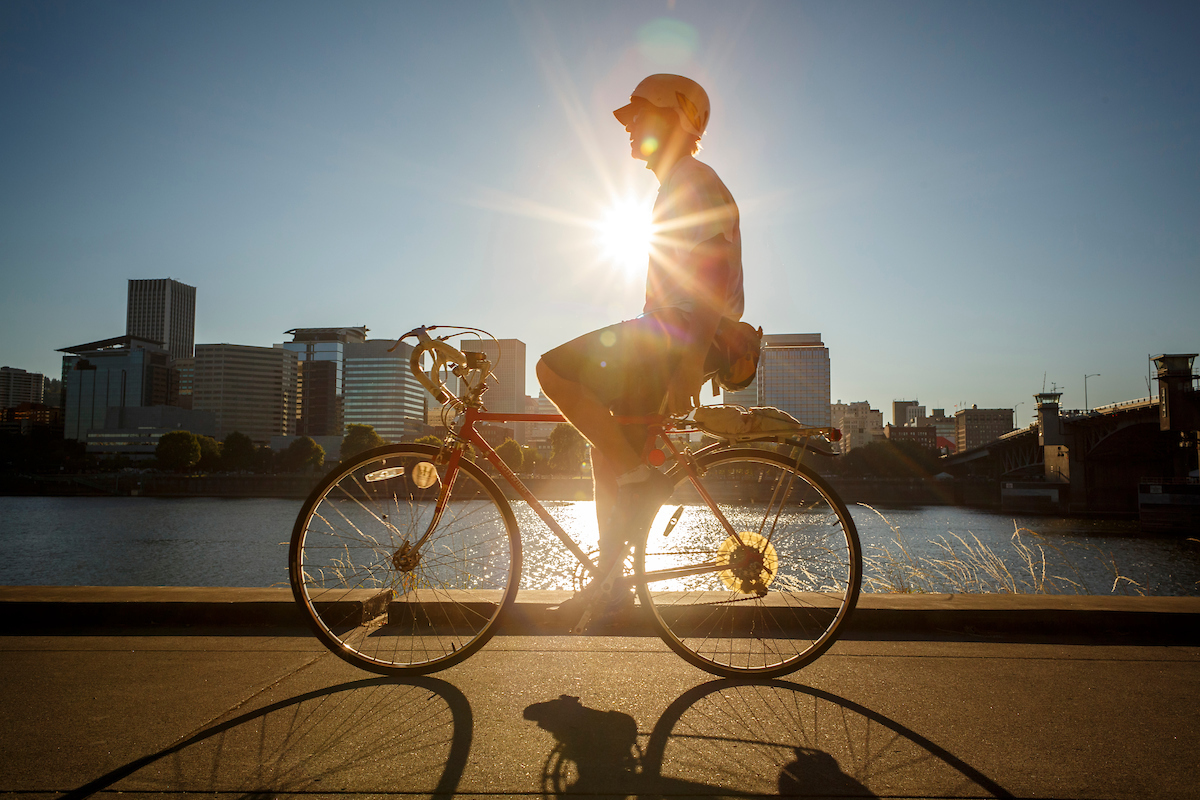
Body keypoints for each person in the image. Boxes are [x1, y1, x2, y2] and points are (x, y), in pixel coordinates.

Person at [536, 74, 743, 620]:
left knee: (552, 372)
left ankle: (640, 479)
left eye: (638, 115)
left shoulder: (694, 179)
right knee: (606, 450)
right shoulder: (675, 184)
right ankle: (610, 586)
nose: (627, 126)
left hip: (676, 335)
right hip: (670, 334)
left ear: (676, 119)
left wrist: (689, 363)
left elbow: (713, 273)